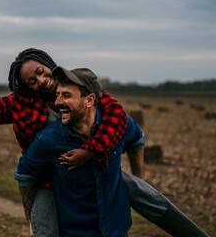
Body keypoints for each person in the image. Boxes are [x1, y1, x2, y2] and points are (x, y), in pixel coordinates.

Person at [0, 48, 209, 237]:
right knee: (43, 230)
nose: (41, 82)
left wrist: (91, 149)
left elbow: (116, 113)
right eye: (31, 81)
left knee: (147, 196)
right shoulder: (20, 105)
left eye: (42, 73)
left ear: (48, 65)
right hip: (50, 175)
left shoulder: (75, 84)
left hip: (97, 161)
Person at [15, 66, 138, 236]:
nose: (57, 102)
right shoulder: (48, 140)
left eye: (66, 95)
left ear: (89, 100)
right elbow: (25, 175)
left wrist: (139, 180)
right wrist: (31, 219)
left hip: (117, 230)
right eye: (58, 95)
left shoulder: (118, 126)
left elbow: (137, 140)